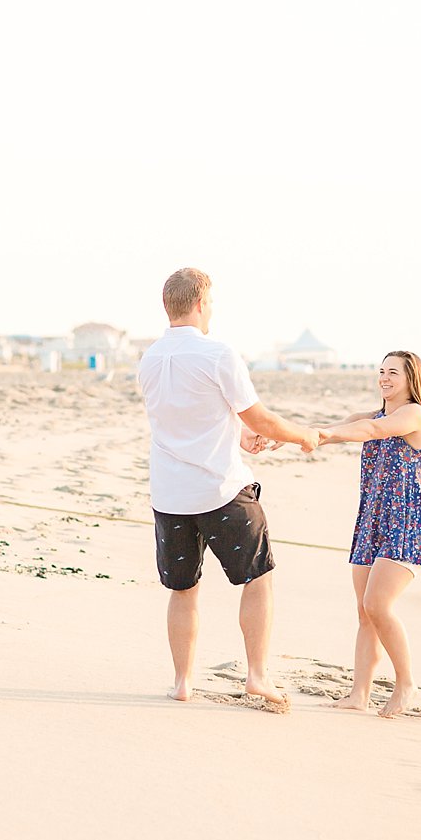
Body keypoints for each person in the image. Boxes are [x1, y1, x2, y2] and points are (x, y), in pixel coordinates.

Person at [137, 267, 320, 708]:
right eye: (212, 302)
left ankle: (183, 683)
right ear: (200, 304)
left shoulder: (149, 359)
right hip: (220, 489)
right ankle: (257, 674)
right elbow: (261, 419)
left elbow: (186, 418)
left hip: (170, 495)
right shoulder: (217, 353)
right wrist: (304, 436)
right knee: (258, 578)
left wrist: (239, 435)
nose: (212, 309)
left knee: (183, 589)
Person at [316, 350, 421, 718]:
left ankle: (406, 684)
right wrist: (289, 436)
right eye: (381, 372)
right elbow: (338, 429)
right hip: (373, 520)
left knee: (377, 605)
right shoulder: (375, 415)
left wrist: (321, 436)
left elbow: (371, 432)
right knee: (364, 613)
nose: (384, 378)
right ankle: (360, 694)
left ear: (410, 380)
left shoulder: (414, 415)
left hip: (406, 522)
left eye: (393, 373)